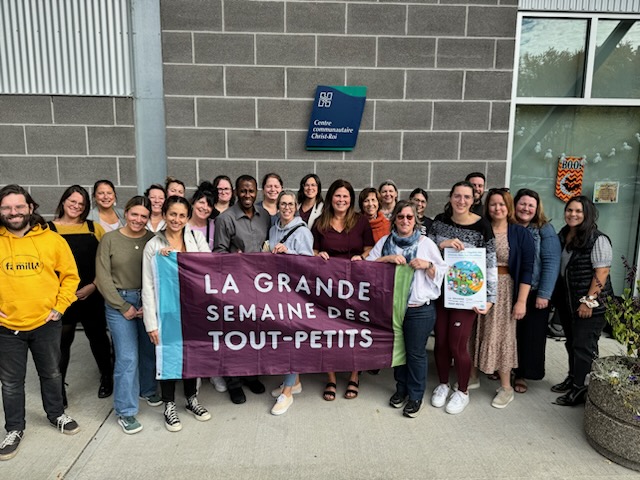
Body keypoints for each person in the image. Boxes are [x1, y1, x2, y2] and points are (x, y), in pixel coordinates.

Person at [0, 185, 81, 461]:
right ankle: (14, 428)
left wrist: (60, 308)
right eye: (7, 208)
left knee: (52, 373)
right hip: (7, 328)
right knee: (11, 382)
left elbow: (71, 277)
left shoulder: (52, 240)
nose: (13, 212)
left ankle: (56, 414)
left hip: (46, 323)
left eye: (19, 207)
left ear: (30, 207)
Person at [368, 201, 447, 418]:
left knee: (415, 353)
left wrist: (428, 265)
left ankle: (415, 395)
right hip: (392, 309)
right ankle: (400, 389)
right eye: (401, 217)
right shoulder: (385, 242)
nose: (405, 221)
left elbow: (442, 271)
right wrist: (387, 259)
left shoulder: (426, 244)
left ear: (416, 220)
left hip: (418, 309)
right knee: (398, 351)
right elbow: (367, 267)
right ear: (394, 219)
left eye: (409, 217)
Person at [142, 196, 212, 431]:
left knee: (192, 353)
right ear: (164, 214)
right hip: (167, 311)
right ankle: (169, 404)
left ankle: (191, 398)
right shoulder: (153, 245)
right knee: (169, 354)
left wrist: (182, 259)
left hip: (193, 309)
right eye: (172, 214)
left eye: (182, 215)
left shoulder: (196, 238)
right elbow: (148, 285)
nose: (177, 219)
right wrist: (151, 323)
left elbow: (208, 268)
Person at [428, 181, 496, 415]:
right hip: (440, 292)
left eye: (467, 197)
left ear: (474, 200)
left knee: (458, 344)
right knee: (441, 342)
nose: (461, 201)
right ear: (450, 197)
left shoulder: (483, 227)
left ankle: (463, 391)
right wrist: (442, 244)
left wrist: (490, 297)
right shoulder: (439, 221)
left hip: (467, 295)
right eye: (457, 196)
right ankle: (443, 384)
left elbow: (490, 263)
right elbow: (426, 249)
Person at [95, 196, 159, 435]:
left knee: (148, 349)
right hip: (118, 302)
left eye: (144, 216)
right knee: (127, 357)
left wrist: (149, 303)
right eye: (135, 214)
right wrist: (122, 306)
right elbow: (102, 277)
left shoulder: (152, 240)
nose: (139, 220)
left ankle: (148, 389)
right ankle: (126, 411)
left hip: (147, 300)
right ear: (126, 212)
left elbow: (158, 273)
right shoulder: (110, 239)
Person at [48, 186, 114, 407]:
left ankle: (107, 377)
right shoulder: (48, 229)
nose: (76, 206)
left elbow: (106, 262)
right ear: (64, 201)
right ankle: (59, 387)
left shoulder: (94, 228)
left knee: (98, 339)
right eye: (72, 201)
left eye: (81, 204)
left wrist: (93, 286)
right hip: (62, 297)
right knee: (62, 343)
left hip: (91, 294)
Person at [312, 179, 374, 401]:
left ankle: (354, 375)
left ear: (351, 199)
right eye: (337, 196)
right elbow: (313, 250)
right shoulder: (320, 222)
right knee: (328, 330)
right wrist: (318, 255)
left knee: (354, 331)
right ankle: (331, 377)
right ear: (331, 198)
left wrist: (362, 257)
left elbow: (370, 248)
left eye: (345, 196)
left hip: (355, 284)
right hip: (327, 285)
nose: (341, 200)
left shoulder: (360, 222)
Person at [473, 189, 534, 409]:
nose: (497, 208)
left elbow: (527, 269)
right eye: (492, 204)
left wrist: (521, 301)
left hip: (506, 289)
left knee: (502, 334)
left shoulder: (520, 233)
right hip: (480, 286)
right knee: (477, 330)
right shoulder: (481, 228)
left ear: (508, 206)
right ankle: (473, 376)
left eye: (501, 204)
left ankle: (506, 387)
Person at [213, 174, 271, 404]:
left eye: (251, 191)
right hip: (235, 286)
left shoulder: (264, 216)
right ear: (236, 192)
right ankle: (233, 382)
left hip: (260, 286)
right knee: (234, 335)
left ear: (256, 192)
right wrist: (234, 260)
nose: (247, 195)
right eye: (243, 191)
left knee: (255, 333)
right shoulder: (225, 219)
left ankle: (251, 375)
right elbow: (217, 254)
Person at [551, 195, 613, 406]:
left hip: (589, 306)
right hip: (568, 303)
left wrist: (588, 301)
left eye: (578, 211)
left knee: (584, 347)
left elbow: (602, 273)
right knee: (572, 343)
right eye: (570, 210)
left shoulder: (597, 239)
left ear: (587, 214)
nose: (573, 214)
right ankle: (573, 378)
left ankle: (581, 388)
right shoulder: (564, 235)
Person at [267, 191, 314, 415]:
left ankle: (287, 393)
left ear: (296, 207)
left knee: (292, 341)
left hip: (295, 294)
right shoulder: (274, 228)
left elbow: (309, 265)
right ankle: (294, 382)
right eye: (282, 203)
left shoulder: (303, 231)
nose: (286, 207)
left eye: (290, 204)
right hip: (277, 291)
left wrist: (290, 251)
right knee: (285, 339)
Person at [512, 189, 561, 393]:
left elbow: (551, 262)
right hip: (510, 289)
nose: (526, 208)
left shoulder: (544, 229)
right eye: (522, 204)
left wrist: (545, 293)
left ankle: (523, 374)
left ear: (537, 208)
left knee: (530, 336)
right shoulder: (508, 226)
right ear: (515, 205)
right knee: (510, 334)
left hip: (534, 292)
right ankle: (507, 368)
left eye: (531, 205)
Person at [189, 181, 216, 250]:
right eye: (201, 202)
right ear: (193, 202)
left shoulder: (216, 226)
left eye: (209, 205)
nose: (205, 207)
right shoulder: (182, 225)